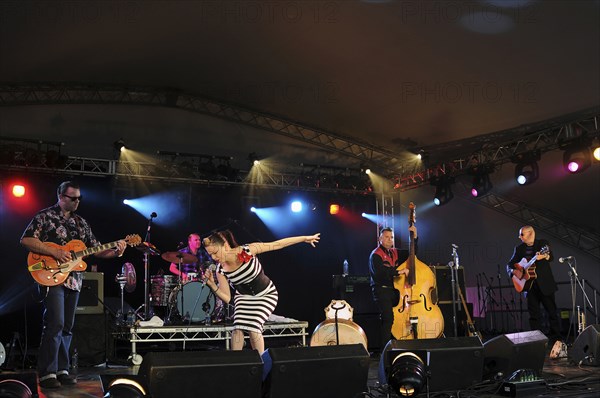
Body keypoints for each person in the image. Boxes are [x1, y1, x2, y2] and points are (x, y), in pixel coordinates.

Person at [20, 181, 126, 389]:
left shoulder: (81, 223)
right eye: (73, 198)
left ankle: (62, 369)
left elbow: (96, 250)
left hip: (74, 280)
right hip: (51, 276)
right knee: (55, 323)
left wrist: (116, 251)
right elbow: (26, 240)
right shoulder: (45, 216)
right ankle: (47, 372)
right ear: (61, 196)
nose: (77, 201)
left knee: (67, 326)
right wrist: (55, 252)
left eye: (79, 198)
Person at [203, 230, 320, 354]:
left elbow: (277, 244)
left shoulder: (247, 250)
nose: (214, 258)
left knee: (253, 327)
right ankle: (235, 362)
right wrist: (212, 285)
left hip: (266, 294)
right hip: (243, 297)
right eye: (210, 255)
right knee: (238, 328)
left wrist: (304, 238)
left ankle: (260, 362)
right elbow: (226, 298)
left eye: (215, 253)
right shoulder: (220, 270)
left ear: (225, 246)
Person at [506, 225, 561, 343]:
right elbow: (509, 264)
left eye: (522, 234)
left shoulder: (542, 244)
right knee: (534, 315)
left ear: (530, 234)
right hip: (529, 286)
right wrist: (514, 272)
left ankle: (556, 338)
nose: (519, 237)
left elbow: (550, 257)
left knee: (551, 312)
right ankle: (537, 340)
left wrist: (545, 255)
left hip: (545, 284)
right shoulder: (519, 249)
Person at [369, 226, 416, 349]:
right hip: (381, 289)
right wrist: (398, 272)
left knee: (405, 314)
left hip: (394, 290)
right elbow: (380, 272)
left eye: (392, 237)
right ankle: (385, 349)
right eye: (387, 237)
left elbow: (413, 253)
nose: (390, 240)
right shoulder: (375, 255)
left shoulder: (395, 251)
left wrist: (414, 237)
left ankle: (402, 342)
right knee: (388, 318)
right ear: (380, 238)